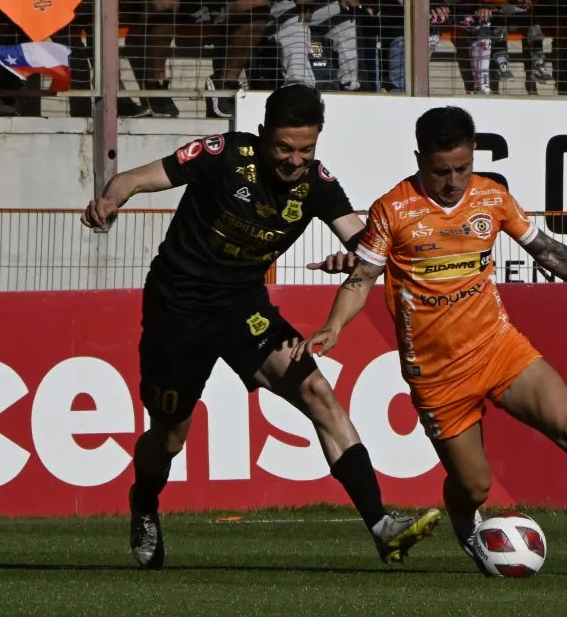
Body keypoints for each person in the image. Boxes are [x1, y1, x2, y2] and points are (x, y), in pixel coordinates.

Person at [292, 106, 567, 573]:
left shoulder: (491, 196)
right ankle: (468, 529)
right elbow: (361, 278)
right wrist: (334, 325)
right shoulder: (394, 208)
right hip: (437, 375)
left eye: (463, 168)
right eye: (440, 170)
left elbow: (547, 251)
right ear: (419, 159)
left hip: (497, 346)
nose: (453, 180)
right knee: (474, 487)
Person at [80, 84, 440, 569]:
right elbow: (136, 179)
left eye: (307, 149)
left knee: (317, 392)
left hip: (242, 307)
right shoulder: (222, 155)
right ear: (264, 135)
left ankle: (381, 526)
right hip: (177, 307)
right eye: (285, 148)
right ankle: (144, 503)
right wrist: (108, 202)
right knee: (168, 437)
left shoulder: (318, 184)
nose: (295, 161)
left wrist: (353, 257)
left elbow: (363, 242)